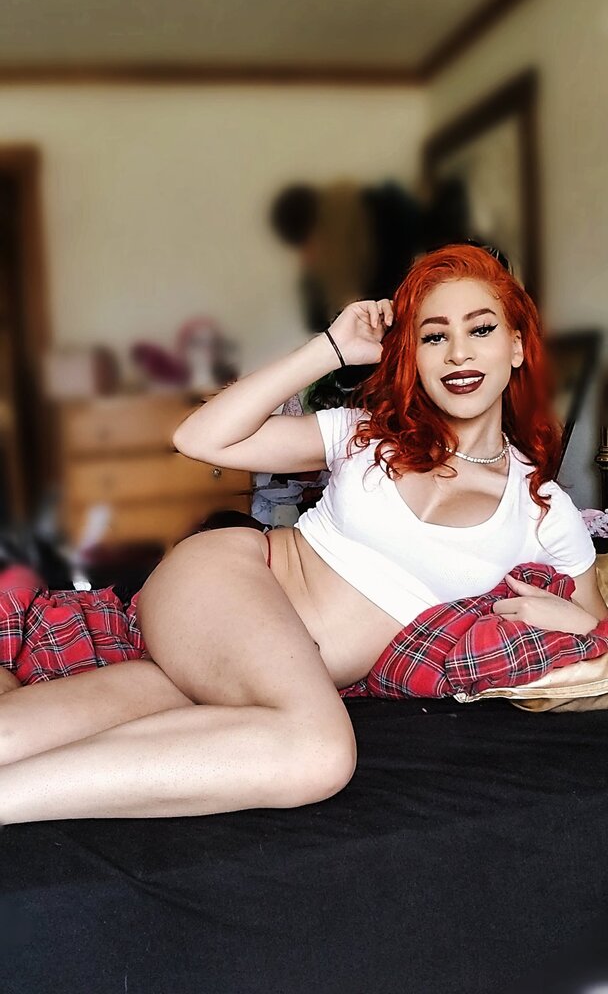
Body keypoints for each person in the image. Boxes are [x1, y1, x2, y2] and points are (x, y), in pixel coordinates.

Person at [1, 243, 606, 826]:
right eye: (434, 336)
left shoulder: (543, 510)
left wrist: (572, 621)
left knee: (14, 736)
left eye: (481, 329)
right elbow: (199, 438)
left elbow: (596, 636)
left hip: (250, 665)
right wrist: (331, 349)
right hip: (228, 580)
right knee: (318, 752)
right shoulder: (367, 436)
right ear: (413, 355)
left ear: (517, 346)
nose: (458, 354)